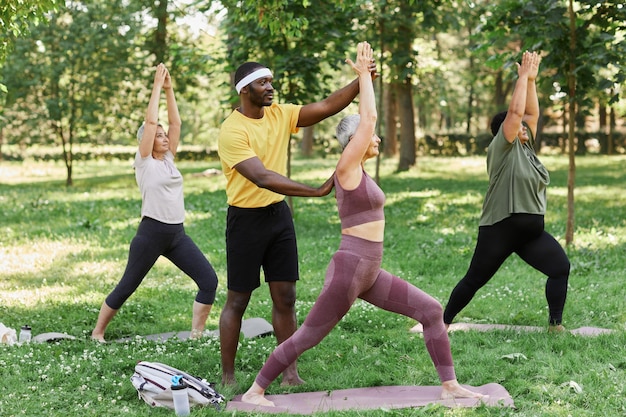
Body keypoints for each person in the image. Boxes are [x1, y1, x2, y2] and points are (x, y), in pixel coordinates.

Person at [241, 41, 484, 407]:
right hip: (350, 268)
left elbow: (369, 125)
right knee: (308, 335)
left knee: (432, 311)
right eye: (371, 136)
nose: (378, 138)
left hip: (369, 270)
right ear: (354, 141)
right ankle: (255, 391)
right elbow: (367, 120)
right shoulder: (347, 167)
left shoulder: (361, 172)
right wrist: (362, 78)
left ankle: (450, 384)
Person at [217, 53, 377, 386]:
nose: (271, 87)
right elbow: (260, 176)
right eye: (264, 83)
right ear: (244, 90)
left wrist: (362, 79)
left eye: (271, 81)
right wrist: (315, 191)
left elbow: (328, 105)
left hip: (278, 217)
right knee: (238, 300)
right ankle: (228, 375)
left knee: (286, 296)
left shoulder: (280, 113)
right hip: (245, 221)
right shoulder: (232, 131)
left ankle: (290, 371)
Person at [443, 51, 570, 332]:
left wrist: (533, 80)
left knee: (560, 267)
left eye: (525, 125)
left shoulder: (528, 149)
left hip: (530, 233)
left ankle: (555, 325)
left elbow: (532, 113)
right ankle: (442, 323)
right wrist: (521, 77)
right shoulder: (502, 149)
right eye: (518, 126)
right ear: (505, 131)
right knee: (474, 280)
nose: (524, 125)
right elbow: (516, 113)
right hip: (500, 229)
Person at [91, 64, 218, 342]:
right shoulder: (144, 162)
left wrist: (171, 90)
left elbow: (176, 124)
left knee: (209, 281)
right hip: (150, 234)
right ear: (146, 143)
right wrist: (157, 87)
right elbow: (151, 124)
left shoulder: (169, 159)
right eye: (157, 136)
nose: (163, 137)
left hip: (176, 234)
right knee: (127, 286)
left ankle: (197, 335)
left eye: (163, 136)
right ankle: (97, 332)